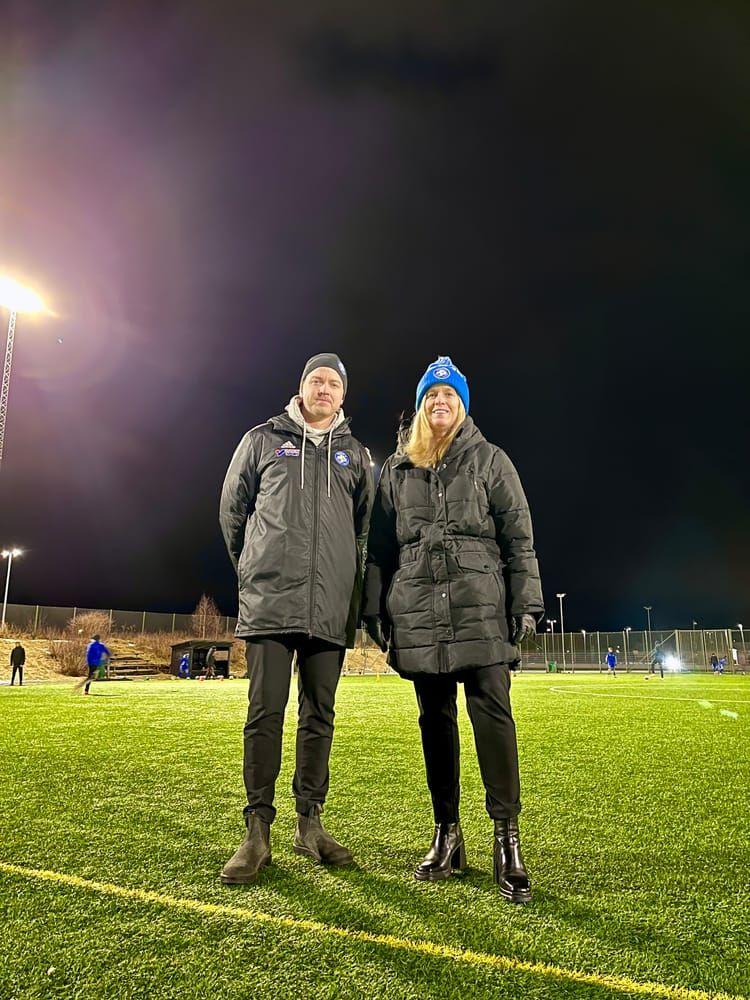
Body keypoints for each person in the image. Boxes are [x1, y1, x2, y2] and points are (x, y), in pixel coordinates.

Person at [363, 356, 543, 903]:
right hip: (418, 607)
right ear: (421, 407)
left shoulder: (491, 460)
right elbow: (379, 548)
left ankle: (507, 841)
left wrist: (526, 603)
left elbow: (518, 538)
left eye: (449, 395)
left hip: (480, 606)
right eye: (431, 395)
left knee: (493, 715)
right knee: (434, 720)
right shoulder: (397, 470)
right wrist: (373, 607)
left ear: (462, 406)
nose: (439, 401)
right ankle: (448, 834)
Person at [219, 352, 373, 884]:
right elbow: (232, 513)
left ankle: (310, 823)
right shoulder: (262, 440)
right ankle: (256, 831)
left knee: (319, 716)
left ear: (343, 395)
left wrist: (350, 589)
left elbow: (364, 531)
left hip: (330, 607)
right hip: (271, 603)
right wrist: (254, 568)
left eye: (333, 383)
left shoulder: (356, 455)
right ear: (301, 387)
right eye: (316, 380)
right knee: (265, 712)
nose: (324, 389)